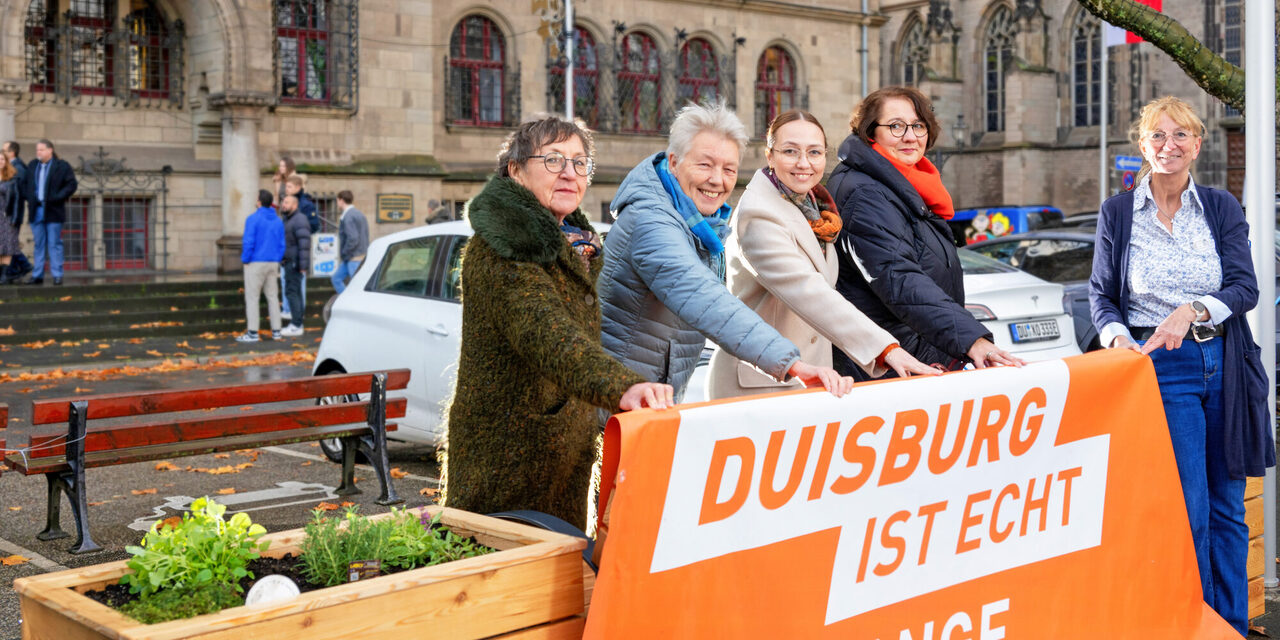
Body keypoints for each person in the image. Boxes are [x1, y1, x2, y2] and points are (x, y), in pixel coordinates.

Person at [1089, 96, 1273, 636]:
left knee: (1229, 508)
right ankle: (1197, 625)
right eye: (1157, 136)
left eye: (1180, 135)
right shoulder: (1118, 212)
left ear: (1197, 144)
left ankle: (1232, 626)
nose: (1168, 145)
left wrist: (1191, 309)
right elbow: (1101, 296)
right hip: (1162, 369)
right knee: (1188, 509)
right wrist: (1119, 340)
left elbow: (1244, 288)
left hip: (1225, 362)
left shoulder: (1219, 206)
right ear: (1142, 146)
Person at [441, 115, 671, 530]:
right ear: (516, 170)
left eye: (580, 162)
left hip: (559, 452)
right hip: (509, 460)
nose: (569, 173)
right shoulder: (502, 247)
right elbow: (549, 335)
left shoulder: (575, 244)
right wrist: (623, 386)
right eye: (552, 160)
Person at [598, 101, 852, 403]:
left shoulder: (701, 224)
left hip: (650, 397)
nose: (717, 180)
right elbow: (703, 297)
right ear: (674, 162)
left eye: (729, 169)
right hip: (611, 399)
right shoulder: (651, 221)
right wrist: (791, 364)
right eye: (704, 165)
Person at [708, 110, 937, 399]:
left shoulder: (817, 208)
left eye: (814, 152)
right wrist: (885, 349)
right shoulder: (759, 213)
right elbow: (808, 291)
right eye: (790, 151)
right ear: (770, 156)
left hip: (813, 377)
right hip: (761, 384)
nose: (804, 163)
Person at [828, 86, 1021, 379]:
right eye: (896, 126)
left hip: (918, 354)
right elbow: (898, 277)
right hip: (889, 365)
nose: (910, 136)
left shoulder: (907, 183)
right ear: (870, 132)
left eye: (918, 126)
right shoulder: (865, 192)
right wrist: (970, 340)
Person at [20, 139, 77, 286]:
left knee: (54, 243)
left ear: (50, 150)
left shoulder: (61, 166)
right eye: (37, 150)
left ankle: (57, 275)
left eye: (41, 150)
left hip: (53, 210)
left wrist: (58, 197)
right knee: (38, 244)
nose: (38, 152)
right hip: (36, 210)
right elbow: (24, 184)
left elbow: (71, 184)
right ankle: (37, 275)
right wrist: (29, 197)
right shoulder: (33, 165)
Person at [237, 190, 286, 343]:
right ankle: (276, 331)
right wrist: (277, 258)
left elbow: (248, 241)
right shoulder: (278, 220)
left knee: (252, 297)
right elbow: (282, 243)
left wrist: (245, 259)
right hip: (273, 262)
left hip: (256, 262)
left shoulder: (253, 219)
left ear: (259, 202)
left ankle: (252, 332)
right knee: (272, 297)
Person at [280, 174, 317, 321]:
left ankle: (298, 315)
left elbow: (314, 225)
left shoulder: (306, 204)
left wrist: (300, 234)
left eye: (289, 186)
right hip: (287, 250)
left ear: (298, 187)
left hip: (297, 250)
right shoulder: (286, 202)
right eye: (286, 186)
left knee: (298, 284)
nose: (286, 189)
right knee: (286, 282)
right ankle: (287, 309)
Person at [280, 194, 311, 338]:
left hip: (295, 262)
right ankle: (297, 323)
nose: (283, 204)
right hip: (289, 261)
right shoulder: (288, 219)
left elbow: (304, 244)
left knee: (292, 293)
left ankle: (296, 325)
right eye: (283, 202)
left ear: (295, 205)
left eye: (286, 202)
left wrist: (302, 265)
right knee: (294, 292)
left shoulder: (299, 219)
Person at [332, 189, 368, 293]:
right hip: (357, 255)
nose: (337, 203)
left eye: (337, 200)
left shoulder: (348, 216)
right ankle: (345, 300)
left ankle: (352, 301)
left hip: (353, 257)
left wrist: (345, 252)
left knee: (357, 286)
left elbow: (353, 238)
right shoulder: (359, 214)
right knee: (336, 279)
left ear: (341, 200)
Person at [0, 159, 20, 273]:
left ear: (6, 161)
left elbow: (16, 199)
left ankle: (4, 275)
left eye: (2, 159)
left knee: (7, 247)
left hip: (6, 215)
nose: (0, 161)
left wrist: (15, 217)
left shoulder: (12, 178)